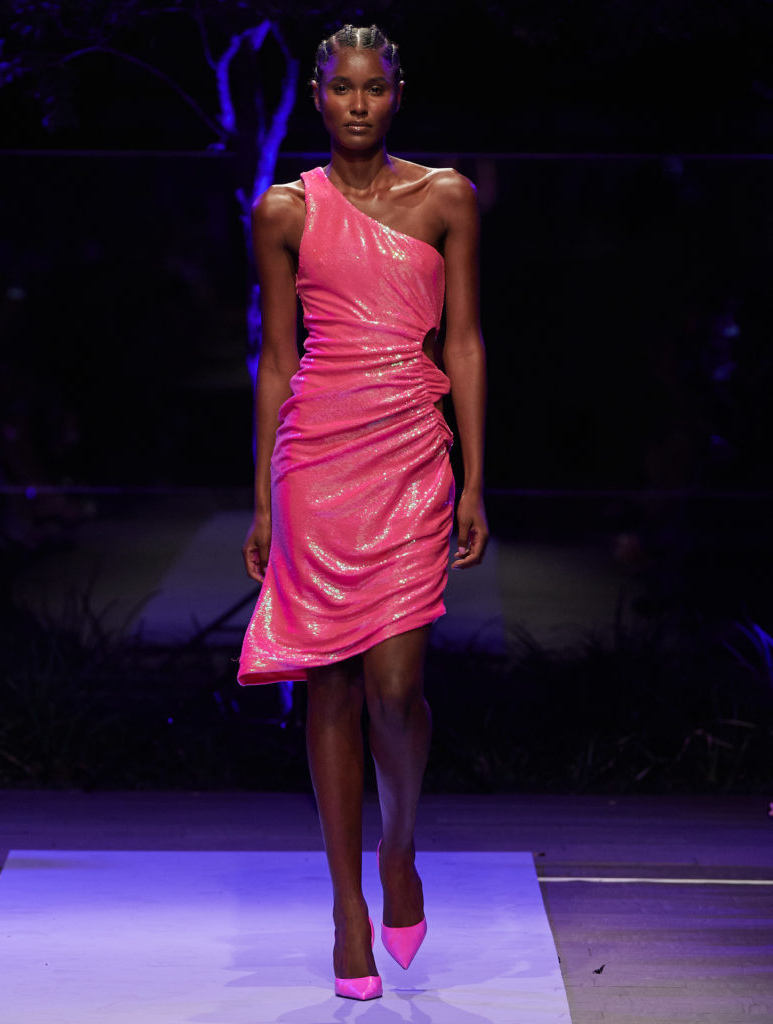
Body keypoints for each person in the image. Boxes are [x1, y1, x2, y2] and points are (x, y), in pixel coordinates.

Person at [239, 24, 488, 1000]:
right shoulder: (284, 210)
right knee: (332, 687)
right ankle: (348, 909)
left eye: (373, 88)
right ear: (316, 94)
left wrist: (475, 478)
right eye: (340, 88)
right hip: (316, 460)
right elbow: (276, 359)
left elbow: (463, 341)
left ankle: (399, 847)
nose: (356, 103)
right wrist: (263, 498)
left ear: (397, 93)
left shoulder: (446, 197)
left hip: (412, 455)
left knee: (396, 685)